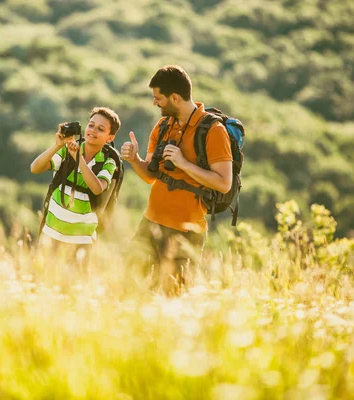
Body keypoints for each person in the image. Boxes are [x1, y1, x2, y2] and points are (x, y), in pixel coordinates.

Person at [120, 65, 233, 294]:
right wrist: (134, 160)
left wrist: (184, 164)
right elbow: (151, 177)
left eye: (158, 98)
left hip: (186, 234)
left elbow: (224, 182)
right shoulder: (163, 126)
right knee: (129, 290)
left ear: (174, 97)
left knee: (174, 298)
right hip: (149, 224)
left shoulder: (213, 131)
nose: (155, 103)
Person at [30, 106, 121, 264]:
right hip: (52, 231)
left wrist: (78, 158)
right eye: (91, 125)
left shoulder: (109, 162)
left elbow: (97, 187)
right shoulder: (67, 151)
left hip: (82, 238)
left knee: (74, 285)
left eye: (101, 129)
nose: (93, 130)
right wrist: (58, 146)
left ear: (110, 137)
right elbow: (35, 168)